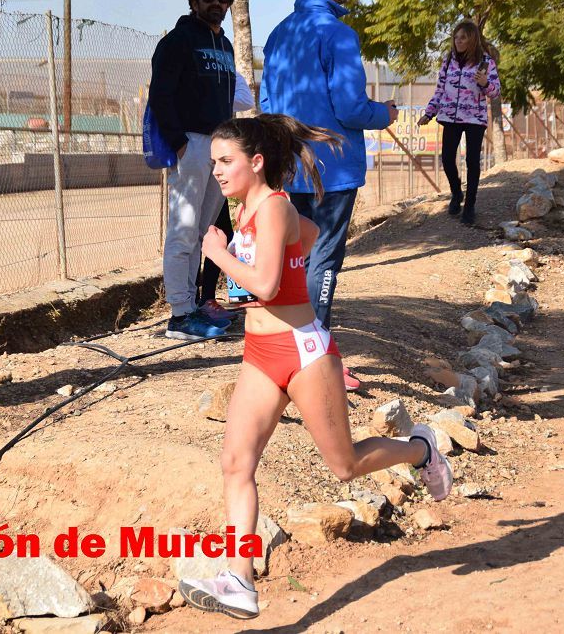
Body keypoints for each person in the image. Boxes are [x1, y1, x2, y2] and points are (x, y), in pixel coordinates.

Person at [177, 114, 453, 620]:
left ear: (255, 163)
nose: (216, 170)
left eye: (225, 161)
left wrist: (218, 255)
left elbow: (262, 282)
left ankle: (421, 449)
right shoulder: (250, 210)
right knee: (236, 464)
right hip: (260, 356)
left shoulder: (274, 207)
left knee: (344, 466)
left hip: (303, 352)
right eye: (214, 161)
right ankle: (238, 579)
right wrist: (279, 270)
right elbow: (305, 238)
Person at [260, 0, 398, 390]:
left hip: (286, 164)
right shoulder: (337, 34)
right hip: (330, 168)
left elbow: (266, 105)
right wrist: (385, 113)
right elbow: (350, 106)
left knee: (288, 258)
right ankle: (315, 358)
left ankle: (283, 353)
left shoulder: (279, 33)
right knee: (322, 260)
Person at [149, 0, 237, 339]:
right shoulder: (178, 42)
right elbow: (160, 95)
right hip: (193, 145)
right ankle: (180, 314)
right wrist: (180, 142)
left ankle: (196, 306)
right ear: (194, 2)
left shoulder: (227, 45)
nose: (216, 4)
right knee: (183, 231)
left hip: (220, 148)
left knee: (204, 231)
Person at [418, 19, 501, 225]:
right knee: (446, 159)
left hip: (475, 118)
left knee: (472, 162)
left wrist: (486, 84)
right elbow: (440, 90)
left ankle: (470, 206)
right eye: (456, 37)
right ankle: (456, 193)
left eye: (463, 38)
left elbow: (496, 92)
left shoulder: (485, 62)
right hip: (450, 118)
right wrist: (429, 113)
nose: (458, 41)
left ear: (472, 39)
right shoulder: (448, 61)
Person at [196, 71, 256, 324]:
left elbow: (245, 100)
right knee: (193, 235)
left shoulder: (226, 73)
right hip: (194, 153)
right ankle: (192, 304)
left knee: (221, 233)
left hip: (214, 145)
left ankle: (206, 298)